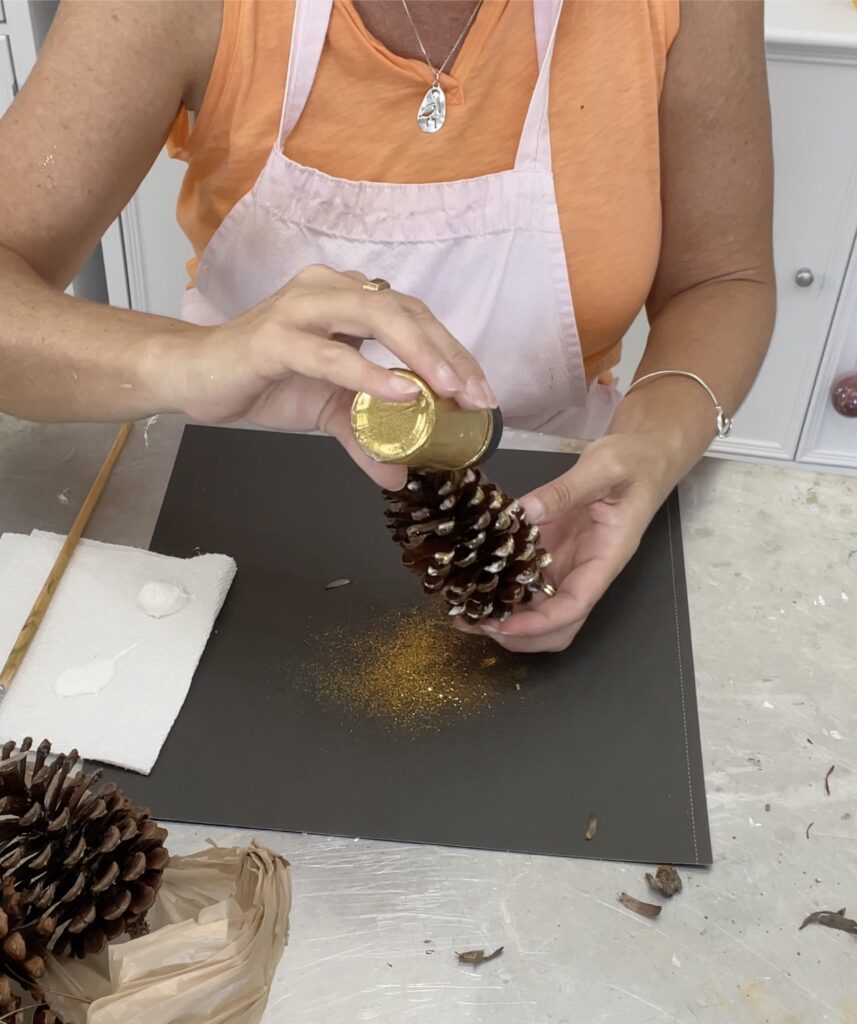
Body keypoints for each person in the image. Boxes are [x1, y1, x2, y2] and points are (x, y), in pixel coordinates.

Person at [0, 0, 774, 653]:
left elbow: (721, 281)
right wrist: (186, 362)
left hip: (555, 509)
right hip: (232, 507)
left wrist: (649, 446)